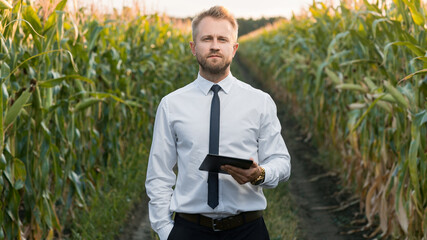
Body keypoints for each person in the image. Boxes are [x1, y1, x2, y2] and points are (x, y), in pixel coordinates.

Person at [145, 5, 291, 240]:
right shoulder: (171, 105)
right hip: (189, 229)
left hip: (248, 230)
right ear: (193, 48)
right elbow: (158, 175)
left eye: (222, 39)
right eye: (206, 38)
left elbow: (282, 162)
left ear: (234, 49)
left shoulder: (260, 102)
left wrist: (260, 174)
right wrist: (165, 230)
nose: (214, 45)